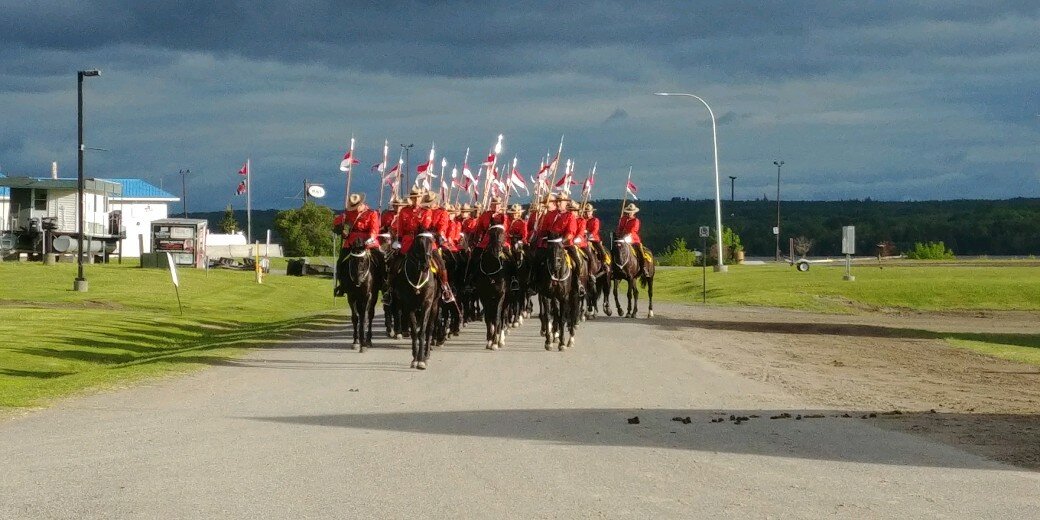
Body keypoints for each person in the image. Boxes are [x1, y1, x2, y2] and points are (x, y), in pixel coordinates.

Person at [333, 193, 383, 296]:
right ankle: (342, 286)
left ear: (361, 204)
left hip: (368, 241)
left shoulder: (372, 213)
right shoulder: (349, 213)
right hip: (351, 243)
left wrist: (371, 238)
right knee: (340, 262)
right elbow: (337, 221)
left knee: (381, 260)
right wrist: (341, 229)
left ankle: (383, 284)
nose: (354, 209)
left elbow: (374, 228)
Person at [616, 202, 649, 276]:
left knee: (640, 251)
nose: (629, 213)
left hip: (633, 239)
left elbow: (634, 229)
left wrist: (628, 234)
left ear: (634, 212)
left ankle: (643, 267)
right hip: (622, 238)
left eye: (631, 212)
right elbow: (620, 228)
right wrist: (618, 232)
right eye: (629, 212)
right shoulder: (623, 219)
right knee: (615, 248)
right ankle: (614, 266)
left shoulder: (636, 220)